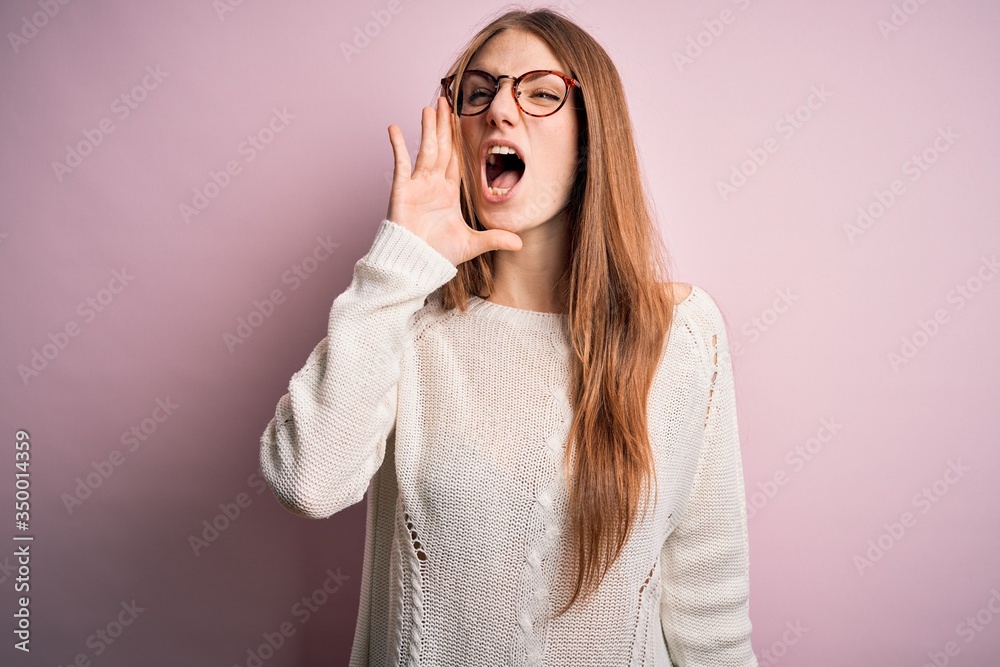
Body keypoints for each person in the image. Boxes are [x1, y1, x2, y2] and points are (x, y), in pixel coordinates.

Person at [259, 8, 757, 666]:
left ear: (590, 140)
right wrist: (400, 261)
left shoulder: (681, 335)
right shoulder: (403, 319)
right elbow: (307, 482)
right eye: (478, 91)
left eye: (541, 93)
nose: (500, 110)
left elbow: (712, 614)